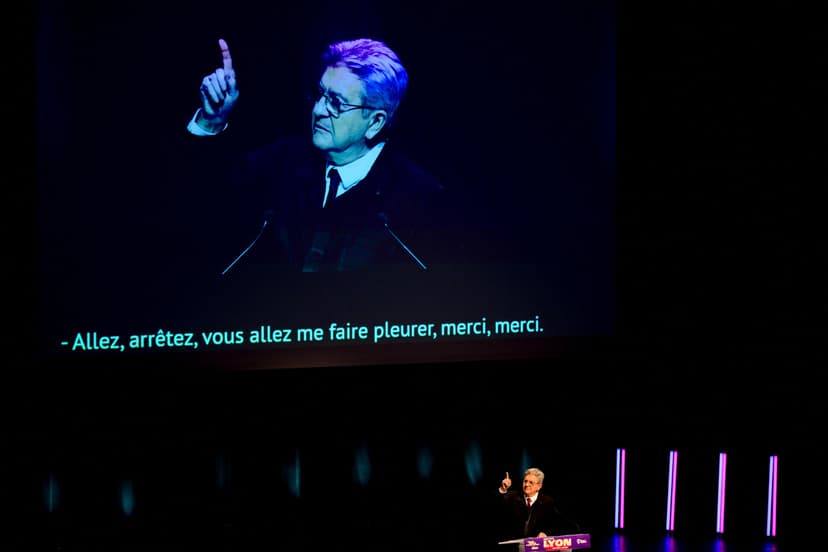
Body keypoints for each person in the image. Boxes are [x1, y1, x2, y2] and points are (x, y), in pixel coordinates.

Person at [186, 37, 454, 274]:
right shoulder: (283, 161)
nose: (319, 110)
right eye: (319, 94)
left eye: (336, 103)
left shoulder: (419, 197)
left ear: (375, 122)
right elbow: (206, 198)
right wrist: (212, 120)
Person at [496, 468, 580, 542]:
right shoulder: (513, 497)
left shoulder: (547, 502)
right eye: (525, 481)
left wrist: (546, 533)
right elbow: (494, 505)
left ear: (539, 486)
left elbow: (557, 523)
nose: (526, 485)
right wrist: (503, 489)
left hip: (537, 548)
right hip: (513, 545)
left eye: (531, 482)